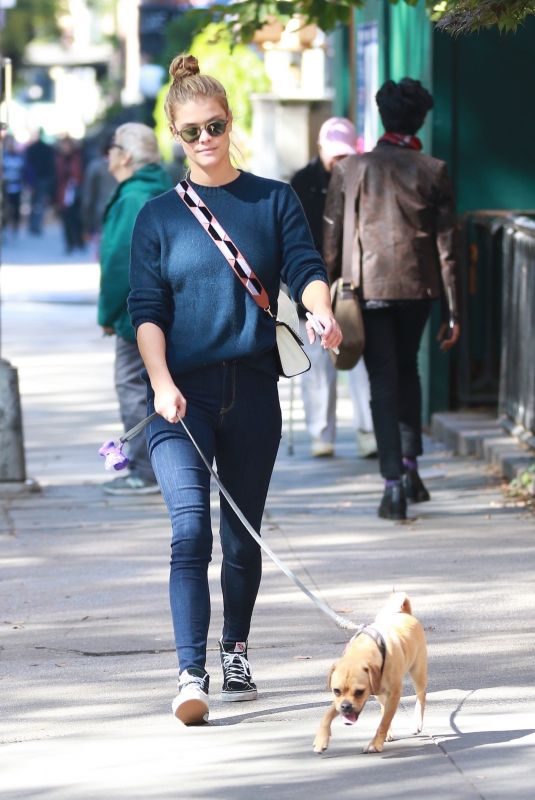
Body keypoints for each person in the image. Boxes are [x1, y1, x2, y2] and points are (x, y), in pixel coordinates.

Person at [127, 54, 342, 725]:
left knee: (242, 533)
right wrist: (160, 384)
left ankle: (236, 649)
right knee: (190, 531)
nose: (204, 139)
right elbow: (146, 311)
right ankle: (190, 671)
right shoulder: (159, 217)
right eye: (190, 131)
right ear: (174, 134)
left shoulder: (271, 199)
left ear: (230, 121)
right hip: (179, 399)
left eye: (214, 125)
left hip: (251, 388)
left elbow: (306, 267)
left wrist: (320, 307)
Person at [323, 78, 460, 521]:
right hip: (418, 290)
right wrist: (455, 311)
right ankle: (410, 467)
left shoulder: (349, 169)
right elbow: (447, 249)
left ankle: (392, 485)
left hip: (366, 288)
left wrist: (321, 301)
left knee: (382, 380)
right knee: (409, 370)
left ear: (382, 117)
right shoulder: (433, 169)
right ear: (420, 119)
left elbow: (330, 241)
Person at [290, 117, 377, 459]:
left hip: (354, 287)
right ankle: (320, 433)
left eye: (345, 155)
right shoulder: (302, 182)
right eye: (333, 154)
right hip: (311, 286)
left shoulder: (364, 180)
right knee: (316, 366)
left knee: (359, 361)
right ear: (321, 148)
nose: (338, 161)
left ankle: (368, 430)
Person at [99, 122, 171, 495]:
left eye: (110, 147)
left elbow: (118, 264)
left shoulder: (132, 198)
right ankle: (168, 468)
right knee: (163, 386)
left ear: (125, 155)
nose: (107, 155)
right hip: (169, 308)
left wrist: (107, 315)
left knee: (132, 385)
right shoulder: (164, 186)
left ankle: (145, 470)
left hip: (135, 314)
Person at [81, 131, 117, 255]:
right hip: (122, 214)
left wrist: (86, 226)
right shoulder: (127, 165)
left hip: (101, 215)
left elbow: (88, 198)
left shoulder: (95, 167)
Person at [55, 135, 85, 253]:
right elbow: (56, 177)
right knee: (66, 220)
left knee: (77, 219)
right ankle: (69, 244)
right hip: (63, 194)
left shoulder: (77, 158)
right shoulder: (58, 159)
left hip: (76, 192)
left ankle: (79, 242)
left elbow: (80, 174)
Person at [23, 128, 56, 235]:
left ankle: (34, 225)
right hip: (41, 179)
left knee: (35, 204)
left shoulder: (32, 149)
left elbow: (27, 166)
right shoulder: (47, 149)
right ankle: (35, 225)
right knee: (39, 204)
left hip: (37, 180)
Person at [2, 134, 24, 236]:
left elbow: (25, 171)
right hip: (4, 187)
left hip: (17, 186)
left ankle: (15, 226)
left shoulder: (19, 156)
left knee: (15, 208)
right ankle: (4, 227)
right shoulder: (3, 156)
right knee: (5, 208)